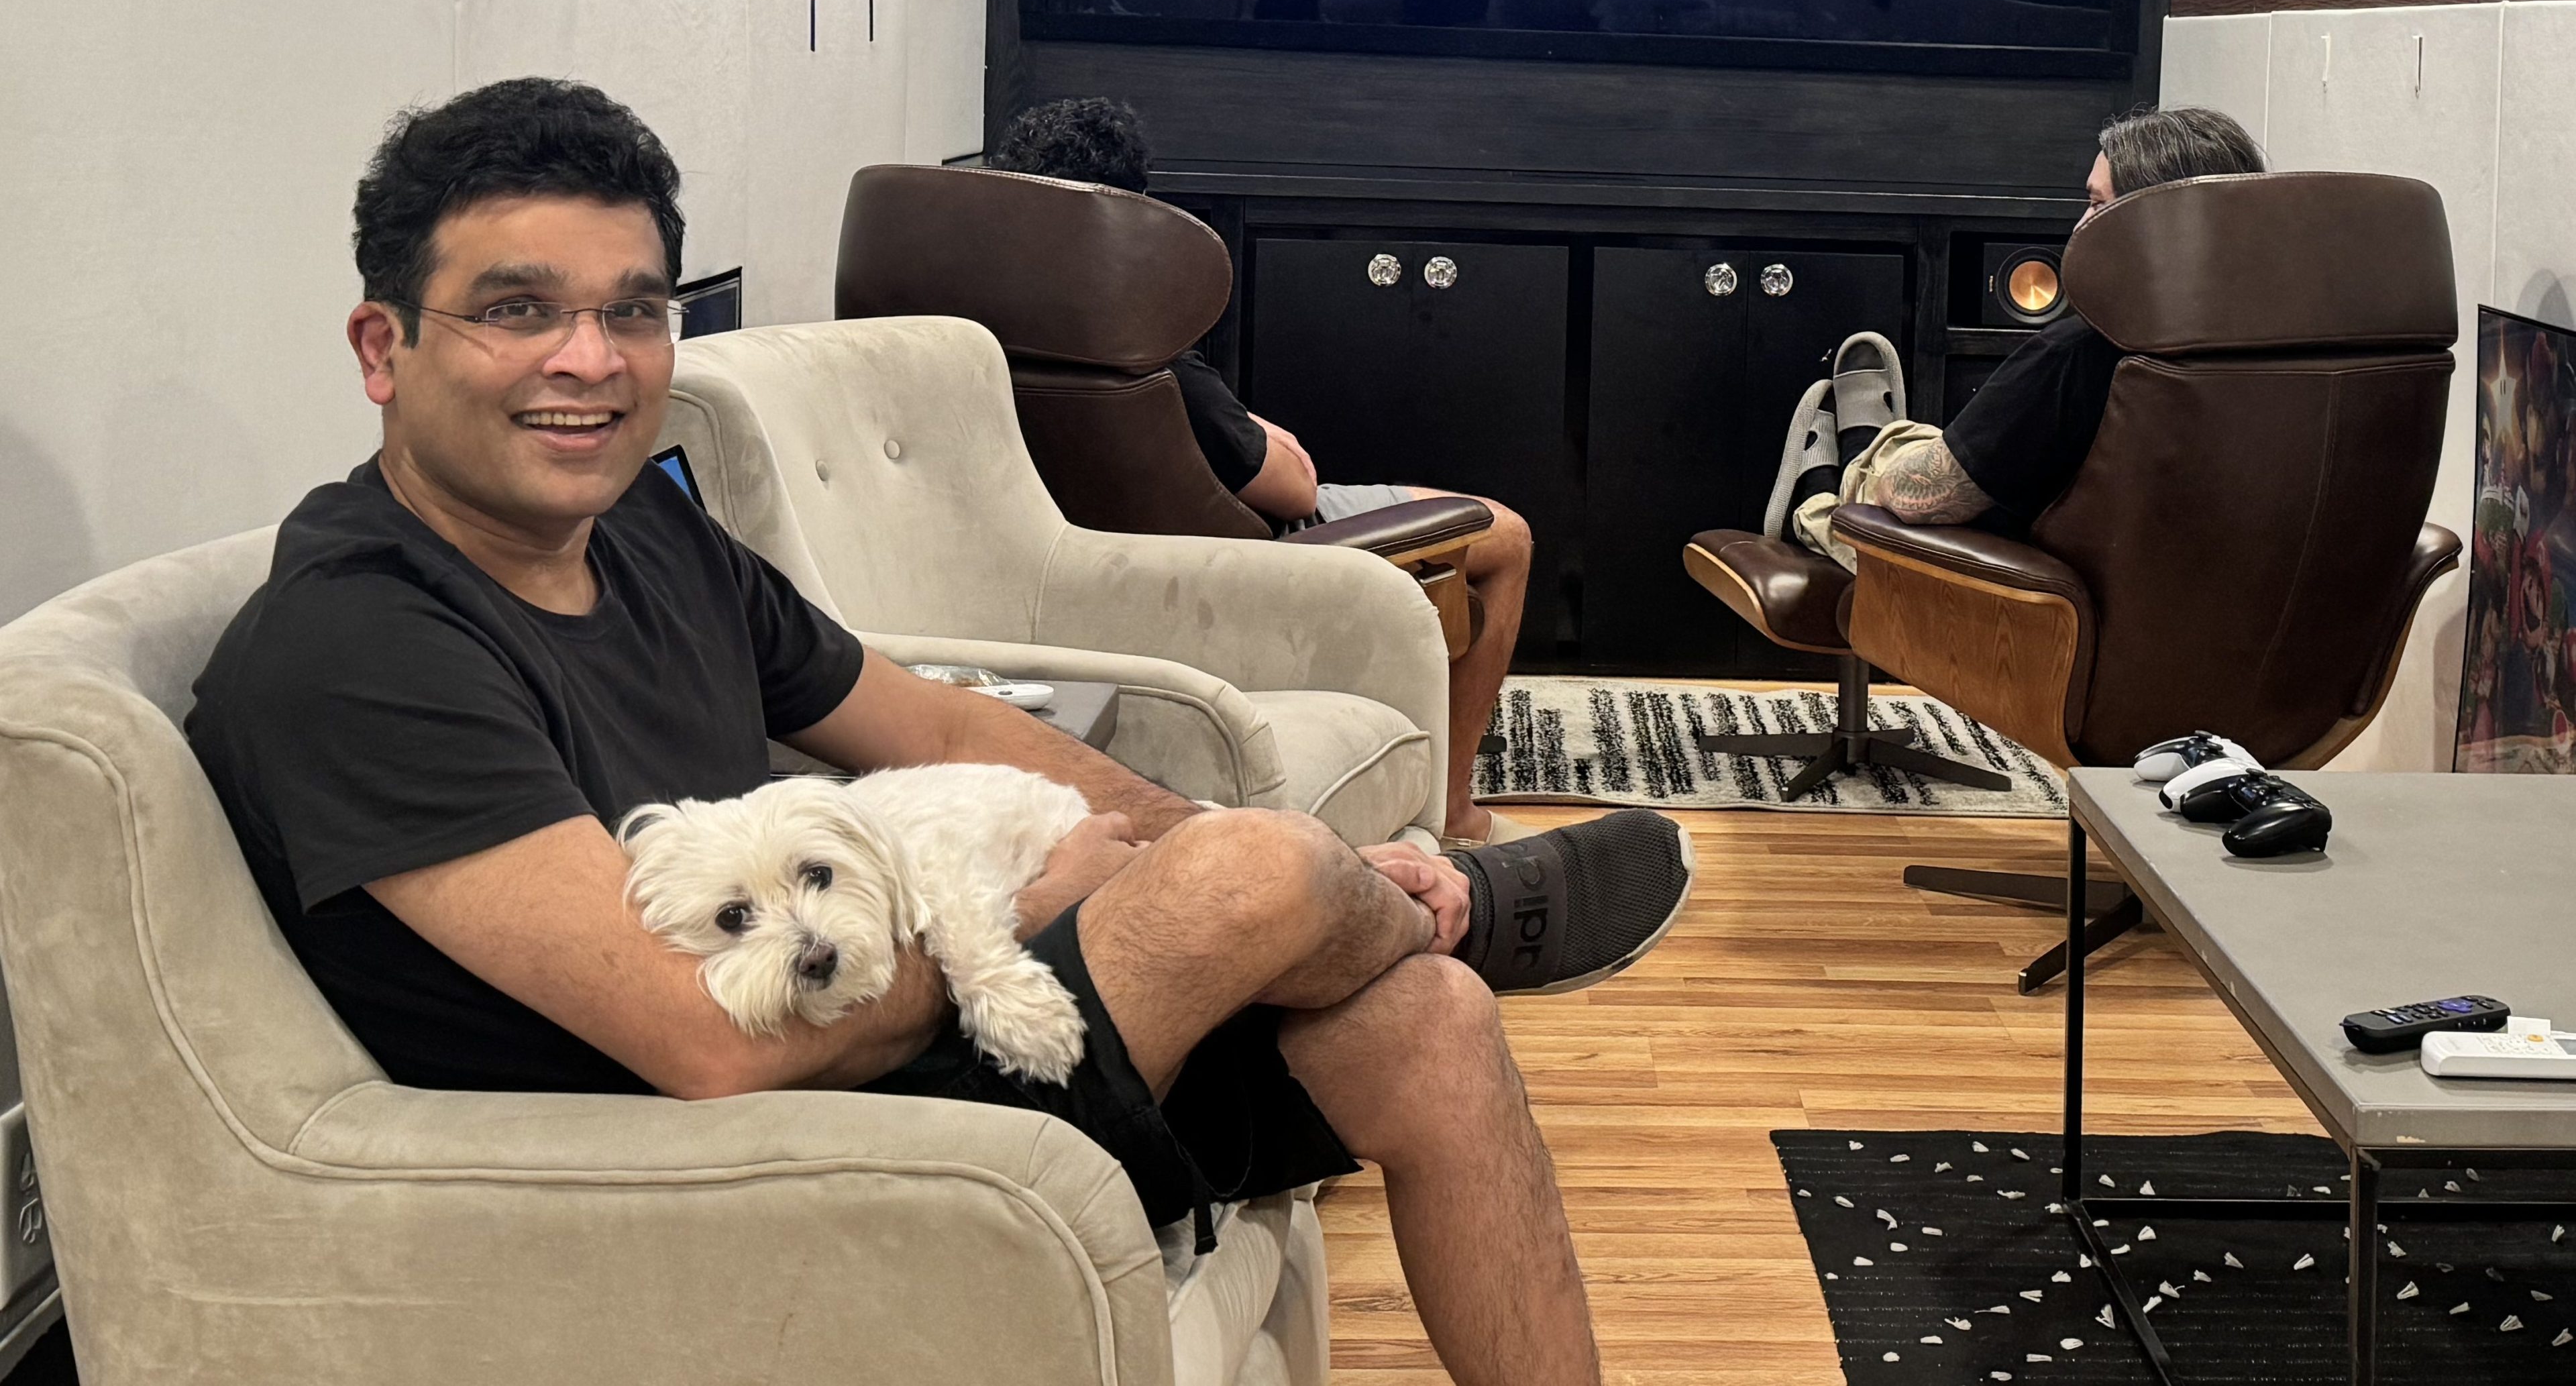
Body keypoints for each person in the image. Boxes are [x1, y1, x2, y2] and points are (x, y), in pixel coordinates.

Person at [190, 78, 1695, 1386]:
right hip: (695, 1167)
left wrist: (1170, 839)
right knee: (1262, 884)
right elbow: (701, 1040)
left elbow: (935, 720)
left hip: (865, 1060)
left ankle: (1416, 930)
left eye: (632, 310)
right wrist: (1073, 895)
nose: (588, 359)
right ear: (382, 346)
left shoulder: (647, 539)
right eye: (517, 310)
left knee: (1421, 1024)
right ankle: (1452, 904)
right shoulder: (362, 640)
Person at [985, 95, 1536, 849]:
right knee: (1504, 537)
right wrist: (1265, 436)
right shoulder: (1143, 349)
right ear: (1131, 212)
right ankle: (1456, 812)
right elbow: (1294, 490)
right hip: (1250, 556)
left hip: (1088, 562)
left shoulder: (982, 328)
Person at [1767, 106, 2267, 559]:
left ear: (2151, 229)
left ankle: (1828, 488)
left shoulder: (2077, 355)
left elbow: (1917, 500)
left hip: (2033, 608)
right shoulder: (2291, 354)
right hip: (2204, 619)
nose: (2078, 227)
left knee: (1895, 478)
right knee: (1940, 444)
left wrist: (1883, 477)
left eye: (2096, 205)